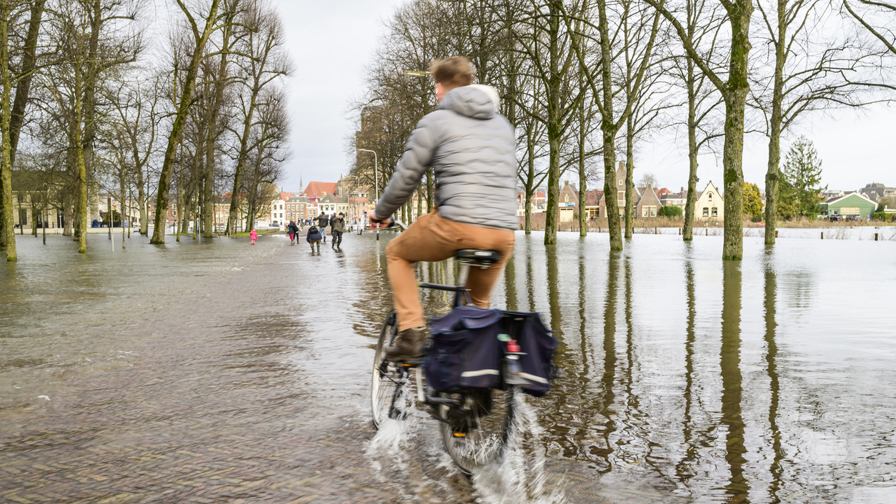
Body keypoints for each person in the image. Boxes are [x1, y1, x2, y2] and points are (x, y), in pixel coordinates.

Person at [368, 56, 517, 361]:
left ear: (440, 88)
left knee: (397, 253)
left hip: (456, 227)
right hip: (503, 234)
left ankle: (411, 333)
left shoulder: (435, 121)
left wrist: (380, 213)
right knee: (476, 307)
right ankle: (471, 388)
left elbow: (406, 178)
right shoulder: (503, 124)